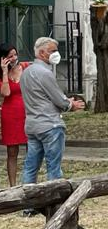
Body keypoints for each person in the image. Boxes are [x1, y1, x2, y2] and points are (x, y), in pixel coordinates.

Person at [20, 37, 85, 190]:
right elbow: (58, 99)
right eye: (53, 51)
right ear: (42, 53)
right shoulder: (45, 73)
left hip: (32, 125)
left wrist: (64, 101)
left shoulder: (26, 73)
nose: (56, 54)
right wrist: (71, 104)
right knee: (53, 167)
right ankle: (53, 200)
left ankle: (27, 204)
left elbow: (41, 97)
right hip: (50, 125)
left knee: (30, 166)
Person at [1, 43, 30, 186]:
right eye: (9, 56)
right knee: (12, 152)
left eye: (15, 54)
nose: (13, 58)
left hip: (27, 112)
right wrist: (5, 72)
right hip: (10, 114)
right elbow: (6, 93)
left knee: (32, 148)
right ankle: (13, 186)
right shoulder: (1, 75)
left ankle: (29, 181)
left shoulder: (25, 67)